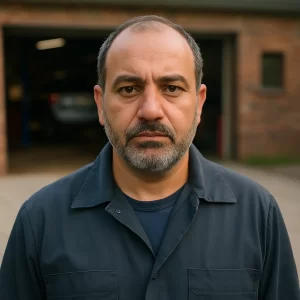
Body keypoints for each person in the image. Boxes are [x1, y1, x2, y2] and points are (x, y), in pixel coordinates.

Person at [0, 15, 299, 300]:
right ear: (101, 105)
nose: (151, 109)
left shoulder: (258, 214)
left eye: (171, 88)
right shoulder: (40, 220)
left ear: (198, 103)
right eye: (129, 89)